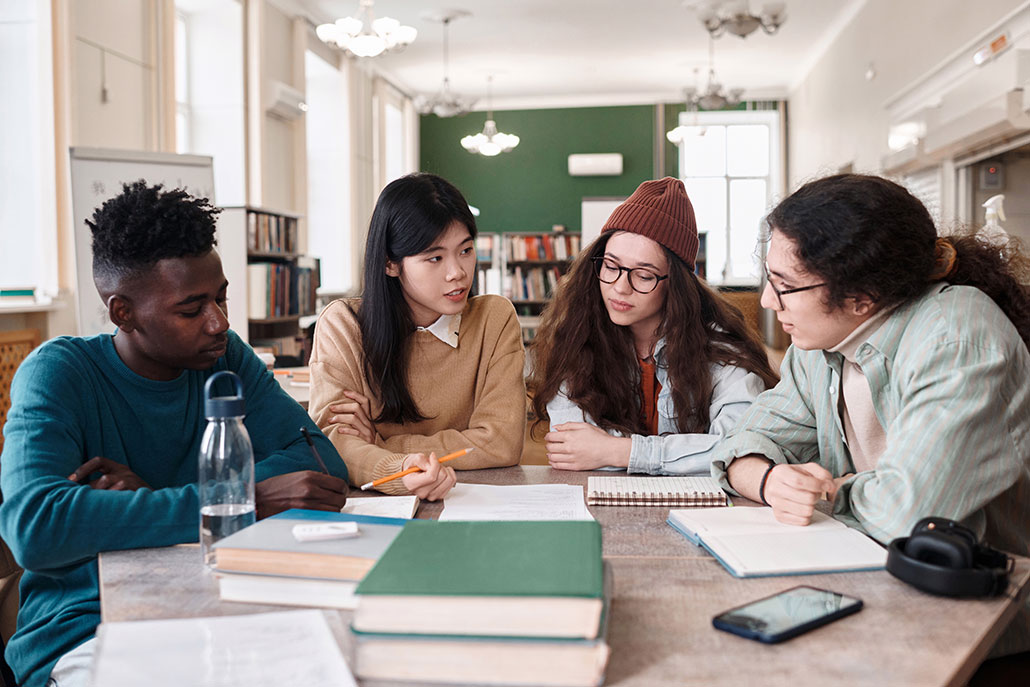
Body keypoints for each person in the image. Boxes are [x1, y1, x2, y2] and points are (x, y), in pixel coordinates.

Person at [0, 181, 350, 687]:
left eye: (221, 298)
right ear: (123, 312)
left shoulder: (225, 357)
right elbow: (36, 528)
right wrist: (242, 501)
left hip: (224, 599)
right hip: (90, 628)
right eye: (191, 309)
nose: (219, 322)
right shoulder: (59, 373)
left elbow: (321, 460)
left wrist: (152, 500)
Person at [711, 173, 1030, 657]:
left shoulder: (956, 335)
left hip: (983, 621)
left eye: (786, 286)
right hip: (876, 586)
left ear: (863, 297)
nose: (766, 302)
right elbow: (747, 439)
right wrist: (768, 480)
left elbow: (909, 512)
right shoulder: (817, 348)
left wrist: (823, 491)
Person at [530, 177, 778, 474]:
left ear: (676, 284)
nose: (620, 287)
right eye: (610, 266)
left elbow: (741, 447)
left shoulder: (721, 350)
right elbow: (574, 450)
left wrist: (619, 451)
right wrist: (687, 456)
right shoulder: (575, 336)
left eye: (644, 276)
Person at [309, 173, 525, 497]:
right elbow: (333, 443)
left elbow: (502, 442)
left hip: (475, 501)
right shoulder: (344, 325)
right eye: (435, 258)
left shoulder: (493, 319)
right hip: (377, 504)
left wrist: (383, 445)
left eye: (465, 250)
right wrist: (399, 470)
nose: (458, 272)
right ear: (390, 264)